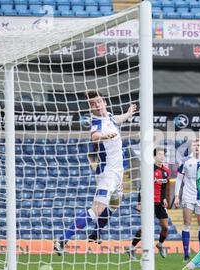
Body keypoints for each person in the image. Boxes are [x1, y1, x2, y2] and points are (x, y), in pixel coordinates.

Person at [53, 91, 137, 255]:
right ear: (91, 108)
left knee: (116, 202)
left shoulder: (110, 117)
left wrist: (127, 113)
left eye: (98, 102)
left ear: (104, 102)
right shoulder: (96, 122)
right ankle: (62, 240)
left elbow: (116, 119)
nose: (97, 105)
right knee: (97, 209)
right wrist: (105, 137)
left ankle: (96, 233)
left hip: (118, 172)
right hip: (108, 173)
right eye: (93, 104)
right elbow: (95, 136)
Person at [128, 147, 171, 259]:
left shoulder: (166, 171)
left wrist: (164, 198)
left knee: (165, 227)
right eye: (159, 154)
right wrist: (139, 202)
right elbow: (142, 187)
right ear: (154, 156)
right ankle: (132, 247)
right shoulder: (149, 169)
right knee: (146, 228)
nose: (162, 156)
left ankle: (160, 244)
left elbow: (164, 186)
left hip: (160, 203)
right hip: (149, 202)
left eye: (163, 155)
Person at [174, 139, 200, 262]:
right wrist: (176, 196)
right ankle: (186, 254)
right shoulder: (185, 161)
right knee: (187, 224)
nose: (197, 147)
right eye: (194, 145)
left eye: (199, 145)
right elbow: (179, 179)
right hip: (188, 196)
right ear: (191, 147)